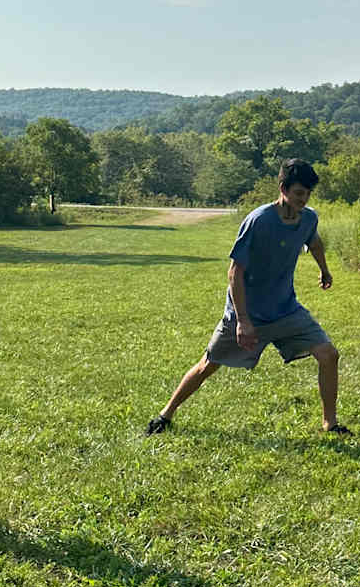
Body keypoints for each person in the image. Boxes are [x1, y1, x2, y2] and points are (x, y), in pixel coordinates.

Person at [146, 158, 348, 436]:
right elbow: (234, 272)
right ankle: (165, 415)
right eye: (299, 192)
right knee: (209, 364)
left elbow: (312, 240)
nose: (304, 199)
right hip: (246, 313)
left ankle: (331, 423)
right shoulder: (259, 221)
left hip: (285, 310)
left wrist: (324, 269)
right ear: (283, 188)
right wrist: (242, 321)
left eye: (308, 194)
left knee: (328, 354)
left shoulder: (309, 217)